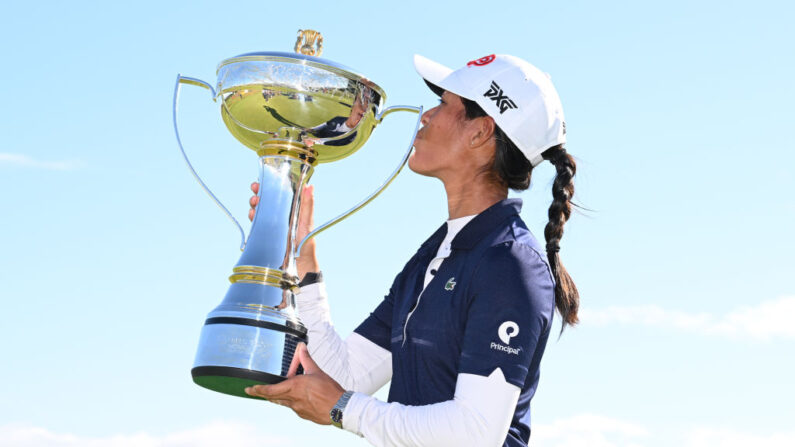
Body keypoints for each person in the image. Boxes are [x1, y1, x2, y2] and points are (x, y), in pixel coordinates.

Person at [245, 54, 580, 447]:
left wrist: (343, 408)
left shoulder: (512, 263)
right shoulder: (432, 256)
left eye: (443, 104)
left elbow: (475, 432)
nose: (426, 117)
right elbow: (345, 376)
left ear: (480, 132)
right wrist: (304, 254)